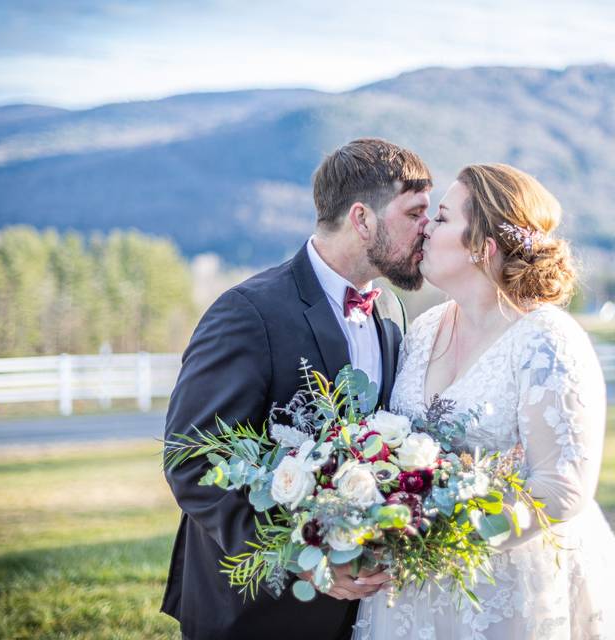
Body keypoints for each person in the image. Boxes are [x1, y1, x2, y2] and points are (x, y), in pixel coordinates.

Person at [354, 164, 615, 639]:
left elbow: (562, 488)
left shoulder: (546, 340)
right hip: (416, 589)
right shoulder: (425, 328)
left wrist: (450, 538)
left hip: (515, 588)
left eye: (445, 218)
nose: (427, 227)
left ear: (482, 247)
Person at [161, 138, 433, 640]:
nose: (428, 228)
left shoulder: (391, 312)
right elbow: (190, 459)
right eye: (415, 212)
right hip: (255, 613)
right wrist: (303, 559)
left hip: (364, 615)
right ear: (362, 218)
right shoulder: (247, 313)